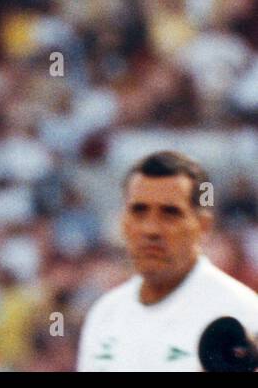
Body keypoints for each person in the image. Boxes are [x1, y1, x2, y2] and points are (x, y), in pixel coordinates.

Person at [77, 150, 258, 371]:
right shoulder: (104, 314)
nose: (151, 229)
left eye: (170, 213)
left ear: (203, 226)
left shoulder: (241, 316)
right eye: (139, 211)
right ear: (123, 222)